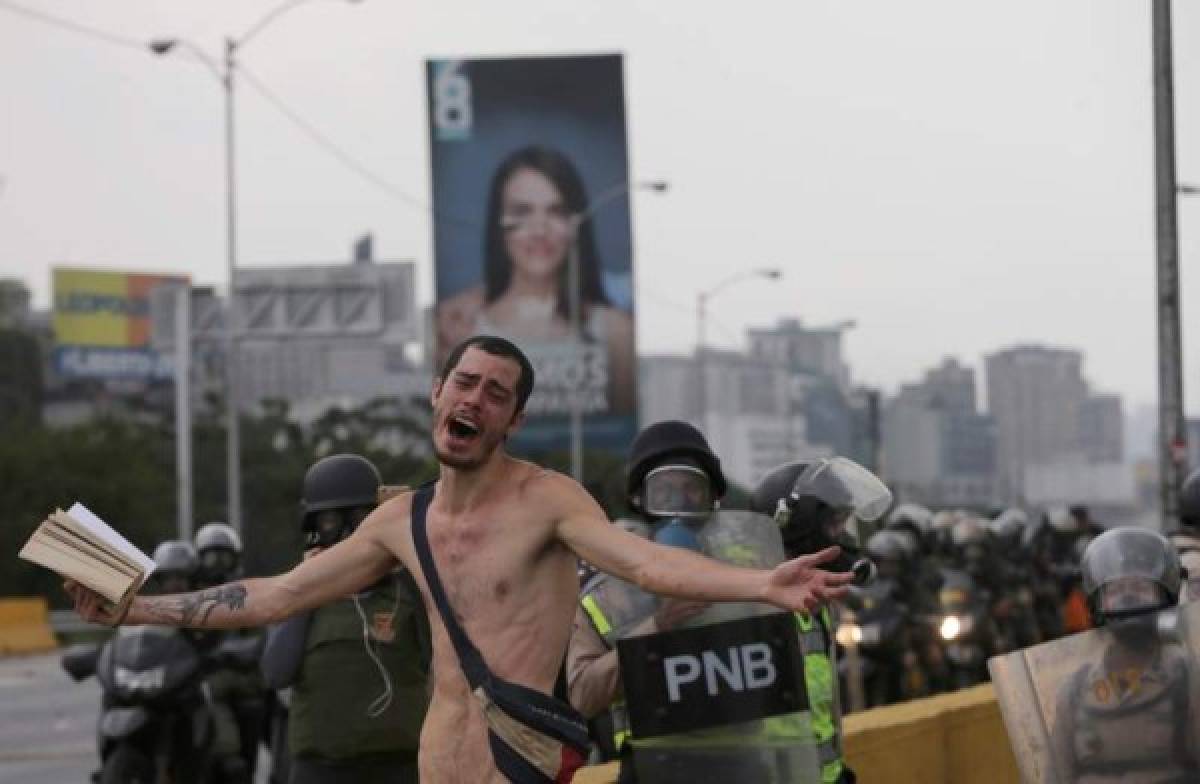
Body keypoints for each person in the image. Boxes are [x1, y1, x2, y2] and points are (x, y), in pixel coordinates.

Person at [65, 334, 852, 784]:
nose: (473, 399)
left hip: (515, 768)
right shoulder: (397, 522)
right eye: (464, 383)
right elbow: (275, 594)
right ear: (436, 393)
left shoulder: (549, 501)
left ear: (512, 419)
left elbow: (643, 565)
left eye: (495, 393)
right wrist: (131, 605)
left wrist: (763, 581)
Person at [260, 454, 430, 784]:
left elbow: (440, 657)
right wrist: (310, 585)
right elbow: (276, 672)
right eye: (330, 522)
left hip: (399, 766)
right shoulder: (297, 591)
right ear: (313, 526)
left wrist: (407, 556)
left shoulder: (407, 590)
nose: (347, 533)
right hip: (321, 768)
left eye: (361, 518)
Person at [435, 146, 635, 412]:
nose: (539, 229)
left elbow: (622, 424)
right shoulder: (458, 328)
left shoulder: (615, 331)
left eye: (556, 211)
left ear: (575, 226)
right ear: (498, 225)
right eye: (522, 212)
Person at [566, 421, 720, 761]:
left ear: (715, 497)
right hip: (650, 765)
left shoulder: (746, 573)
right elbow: (583, 694)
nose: (679, 500)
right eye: (663, 489)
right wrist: (656, 628)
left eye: (693, 488)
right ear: (638, 498)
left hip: (741, 761)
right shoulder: (606, 592)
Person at [752, 457, 893, 784]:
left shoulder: (814, 604)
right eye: (835, 525)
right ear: (799, 527)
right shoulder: (755, 606)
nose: (843, 537)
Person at [1052, 527, 1199, 781]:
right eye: (1117, 590)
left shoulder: (1190, 679)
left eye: (1140, 587)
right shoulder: (1075, 692)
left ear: (1165, 594)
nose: (1128, 597)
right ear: (1098, 603)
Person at [194, 522, 267, 784]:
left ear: (235, 557)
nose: (217, 564)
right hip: (200, 677)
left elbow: (262, 634)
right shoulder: (191, 594)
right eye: (210, 556)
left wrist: (246, 651)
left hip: (243, 675)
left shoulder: (246, 592)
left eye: (223, 556)